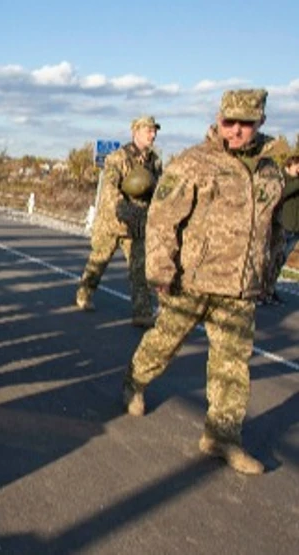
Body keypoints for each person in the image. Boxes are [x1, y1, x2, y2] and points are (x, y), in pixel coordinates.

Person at [123, 89, 282, 476]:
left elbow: (273, 231)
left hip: (239, 289)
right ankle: (135, 381)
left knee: (232, 365)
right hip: (190, 281)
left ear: (259, 122)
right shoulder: (194, 163)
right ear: (218, 118)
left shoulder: (268, 170)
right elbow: (162, 218)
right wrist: (161, 270)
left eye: (246, 124)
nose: (237, 131)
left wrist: (267, 275)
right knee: (164, 342)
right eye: (230, 122)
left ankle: (222, 436)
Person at [75, 115, 163, 327]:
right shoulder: (118, 158)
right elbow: (110, 189)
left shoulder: (154, 162)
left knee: (140, 269)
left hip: (138, 225)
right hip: (113, 221)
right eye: (149, 130)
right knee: (99, 260)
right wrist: (124, 210)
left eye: (154, 131)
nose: (153, 135)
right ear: (136, 132)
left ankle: (142, 312)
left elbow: (159, 191)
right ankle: (84, 293)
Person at [260, 150, 299, 304]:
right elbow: (283, 193)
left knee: (280, 261)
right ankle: (263, 290)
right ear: (290, 165)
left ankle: (270, 289)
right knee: (273, 260)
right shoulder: (283, 179)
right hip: (283, 227)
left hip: (295, 228)